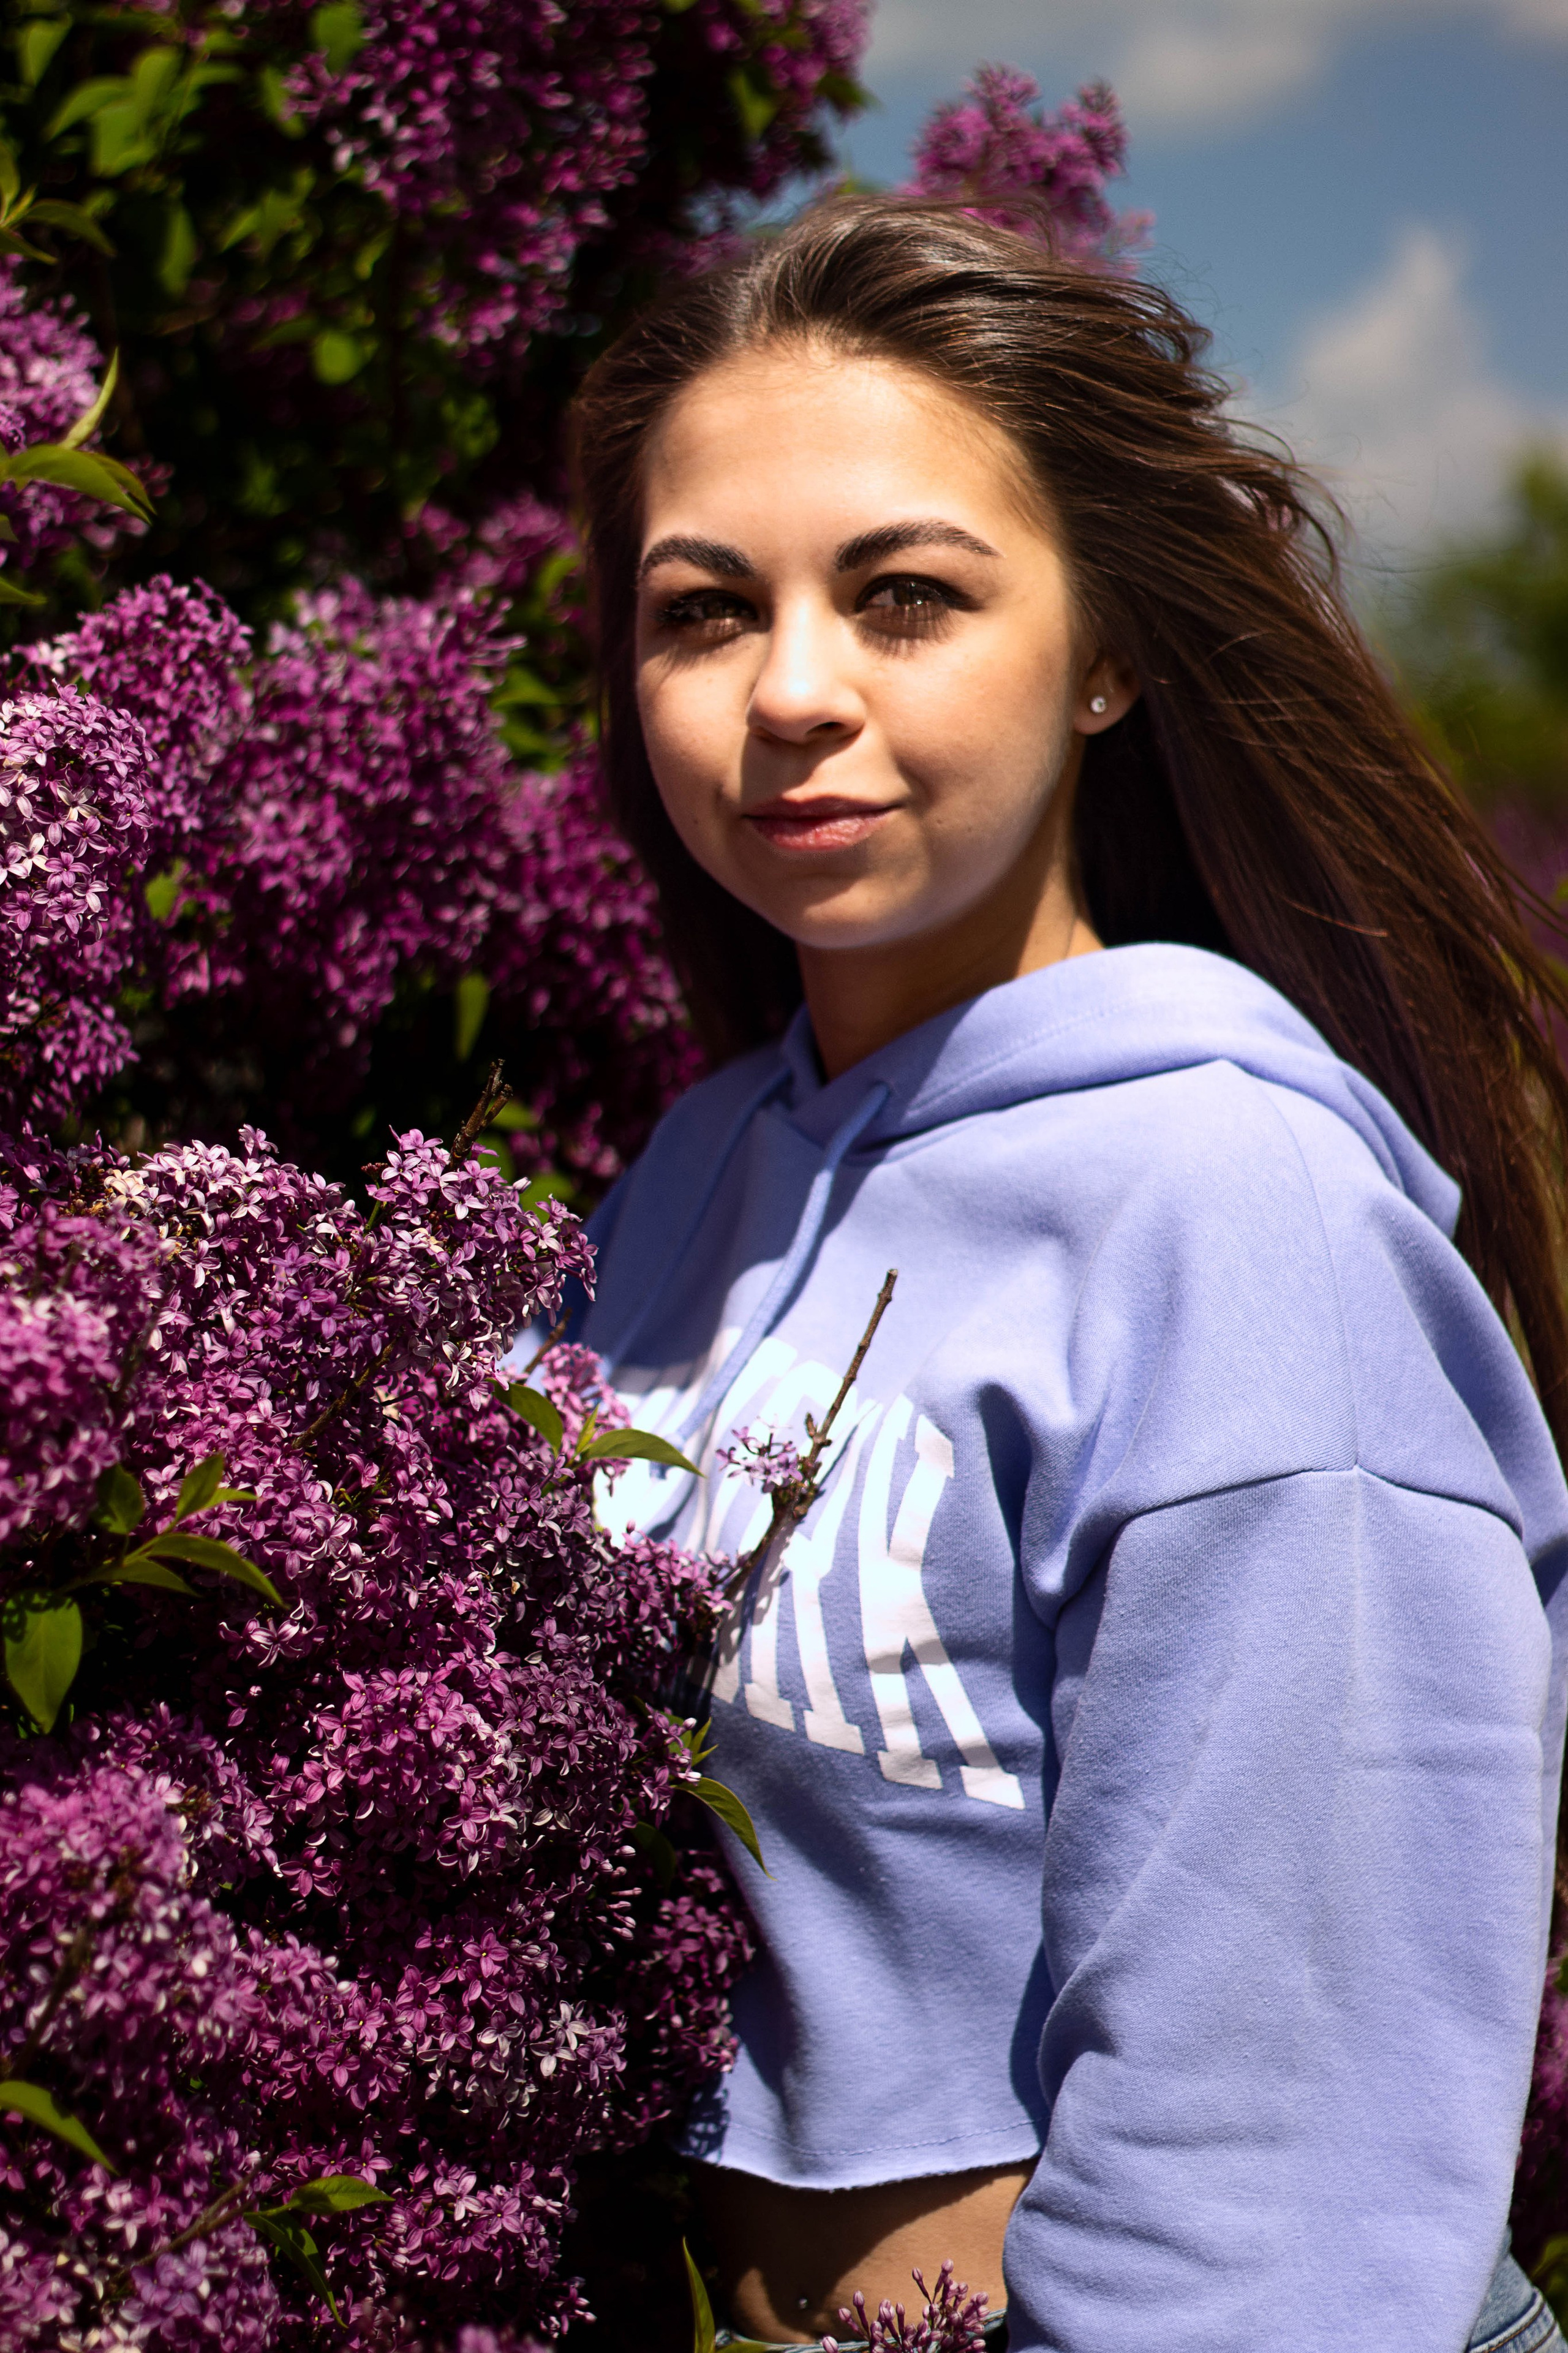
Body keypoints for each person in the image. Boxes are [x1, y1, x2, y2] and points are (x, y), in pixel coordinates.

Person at [561, 197, 1568, 2351]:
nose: (793, 691)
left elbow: (1272, 2156)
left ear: (1107, 651)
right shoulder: (675, 1186)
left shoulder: (1237, 1211)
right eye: (703, 610)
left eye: (905, 596)